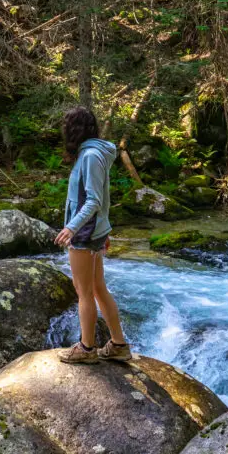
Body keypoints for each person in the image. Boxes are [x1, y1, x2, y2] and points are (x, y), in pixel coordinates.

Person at [55, 105, 131, 365]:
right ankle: (118, 344)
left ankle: (87, 349)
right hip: (94, 230)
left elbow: (95, 200)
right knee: (97, 288)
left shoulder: (89, 156)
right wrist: (104, 230)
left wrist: (71, 227)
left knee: (84, 291)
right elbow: (104, 199)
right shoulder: (94, 153)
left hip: (85, 233)